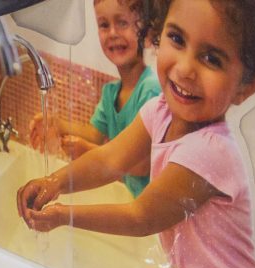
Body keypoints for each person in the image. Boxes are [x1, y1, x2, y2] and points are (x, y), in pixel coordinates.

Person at [15, 0, 255, 268]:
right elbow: (110, 159)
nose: (186, 68)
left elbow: (142, 216)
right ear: (158, 35)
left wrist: (65, 215)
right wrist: (56, 181)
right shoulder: (160, 110)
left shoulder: (211, 151)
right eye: (177, 38)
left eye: (212, 59)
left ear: (244, 89)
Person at [28, 0, 162, 197]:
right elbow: (94, 133)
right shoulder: (111, 92)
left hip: (152, 209)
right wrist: (57, 124)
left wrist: (89, 150)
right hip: (136, 200)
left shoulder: (150, 90)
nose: (113, 33)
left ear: (147, 33)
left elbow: (142, 164)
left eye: (123, 23)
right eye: (104, 25)